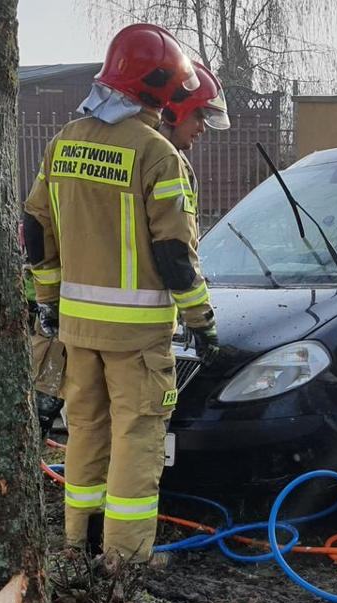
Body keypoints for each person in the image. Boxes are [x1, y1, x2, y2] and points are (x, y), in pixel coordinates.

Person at [23, 23, 217, 566]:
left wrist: (49, 299)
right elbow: (175, 255)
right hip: (137, 337)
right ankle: (125, 560)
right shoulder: (157, 154)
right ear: (163, 88)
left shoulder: (65, 140)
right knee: (136, 438)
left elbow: (36, 229)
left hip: (76, 330)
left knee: (85, 430)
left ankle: (76, 543)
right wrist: (201, 320)